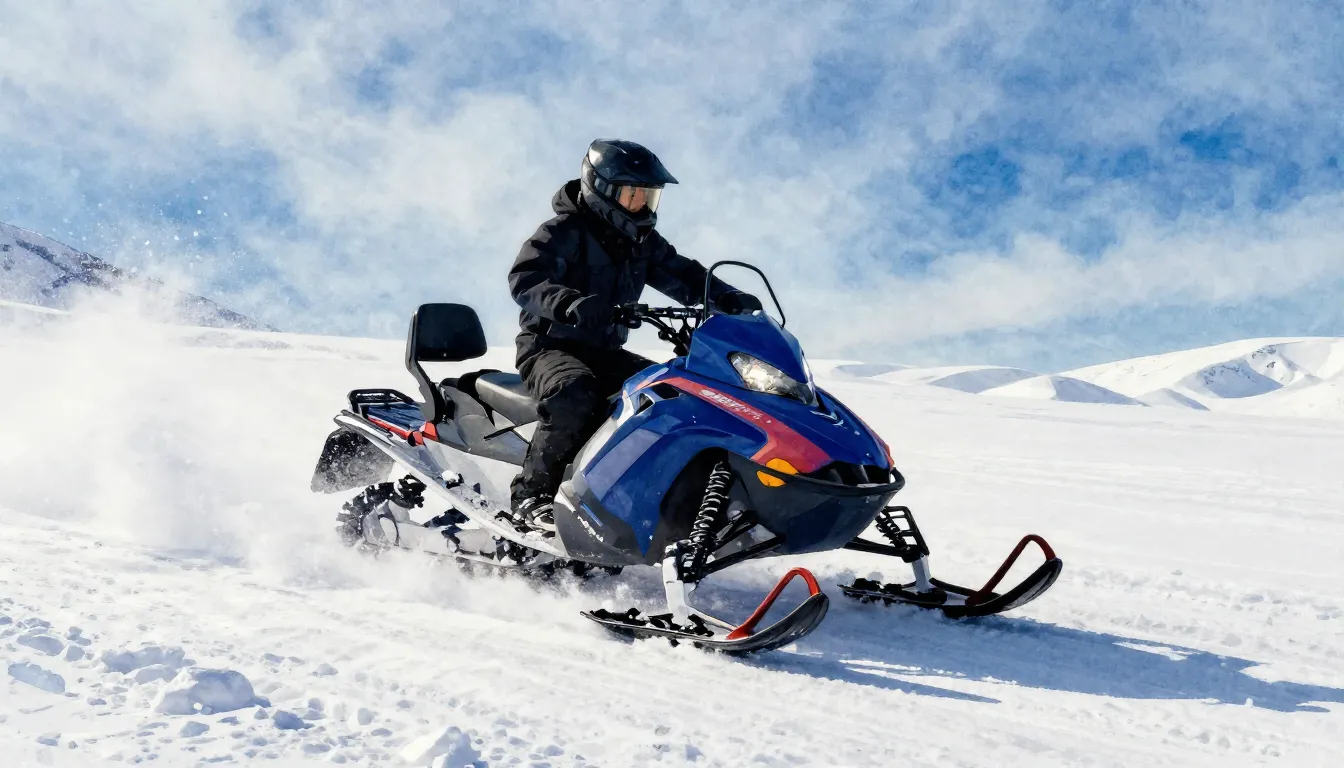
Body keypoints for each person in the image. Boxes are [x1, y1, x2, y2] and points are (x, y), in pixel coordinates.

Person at [507, 138, 762, 528]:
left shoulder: (641, 243)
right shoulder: (565, 231)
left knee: (671, 395)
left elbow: (683, 274)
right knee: (574, 394)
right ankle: (531, 497)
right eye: (633, 194)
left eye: (649, 195)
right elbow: (526, 278)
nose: (642, 204)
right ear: (602, 189)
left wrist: (726, 296)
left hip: (606, 352)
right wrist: (570, 303)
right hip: (550, 347)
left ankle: (647, 504)